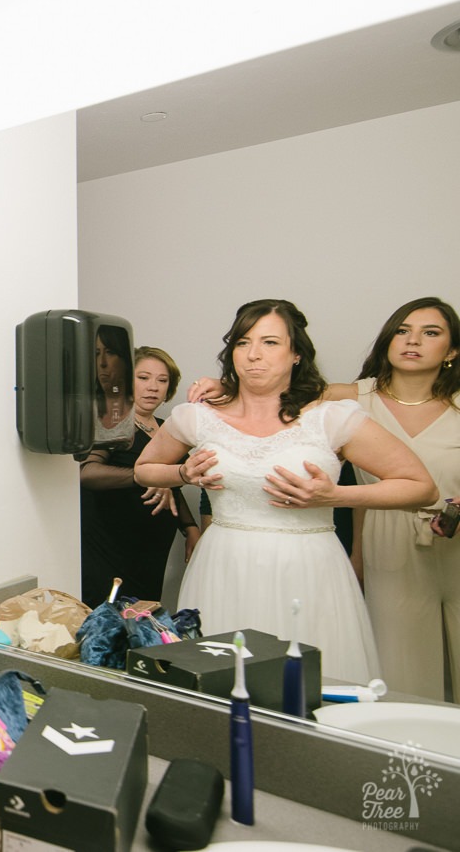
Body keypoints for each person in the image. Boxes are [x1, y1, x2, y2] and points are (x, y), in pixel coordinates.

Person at [134, 299, 436, 684]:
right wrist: (182, 472)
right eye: (243, 343)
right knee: (220, 685)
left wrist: (335, 497)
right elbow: (144, 470)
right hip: (224, 566)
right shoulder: (198, 417)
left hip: (309, 570)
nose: (253, 355)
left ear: (296, 354)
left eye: (270, 342)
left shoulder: (331, 419)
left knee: (310, 689)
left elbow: (420, 487)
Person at [328, 297, 459, 701]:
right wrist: (217, 390)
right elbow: (265, 403)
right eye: (403, 331)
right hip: (388, 543)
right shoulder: (347, 399)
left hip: (455, 539)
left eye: (430, 333)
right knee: (402, 674)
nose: (412, 340)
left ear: (452, 351)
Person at [80, 346, 200, 603]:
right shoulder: (110, 422)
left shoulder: (167, 429)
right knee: (109, 626)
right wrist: (144, 476)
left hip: (151, 550)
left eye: (162, 380)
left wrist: (189, 527)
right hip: (111, 548)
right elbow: (88, 473)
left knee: (143, 625)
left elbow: (173, 486)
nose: (153, 387)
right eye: (143, 378)